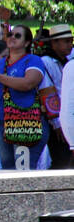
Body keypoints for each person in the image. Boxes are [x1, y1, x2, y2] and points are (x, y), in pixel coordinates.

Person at [0, 24, 46, 169]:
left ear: (27, 42)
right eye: (10, 34)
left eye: (17, 36)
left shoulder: (33, 60)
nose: (12, 38)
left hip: (26, 121)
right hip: (1, 122)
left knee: (24, 169)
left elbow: (28, 83)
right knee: (8, 169)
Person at [36, 24, 72, 168]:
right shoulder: (46, 62)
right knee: (61, 156)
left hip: (68, 113)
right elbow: (47, 92)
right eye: (66, 41)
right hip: (55, 118)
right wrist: (57, 123)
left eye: (71, 41)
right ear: (54, 43)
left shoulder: (68, 60)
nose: (70, 44)